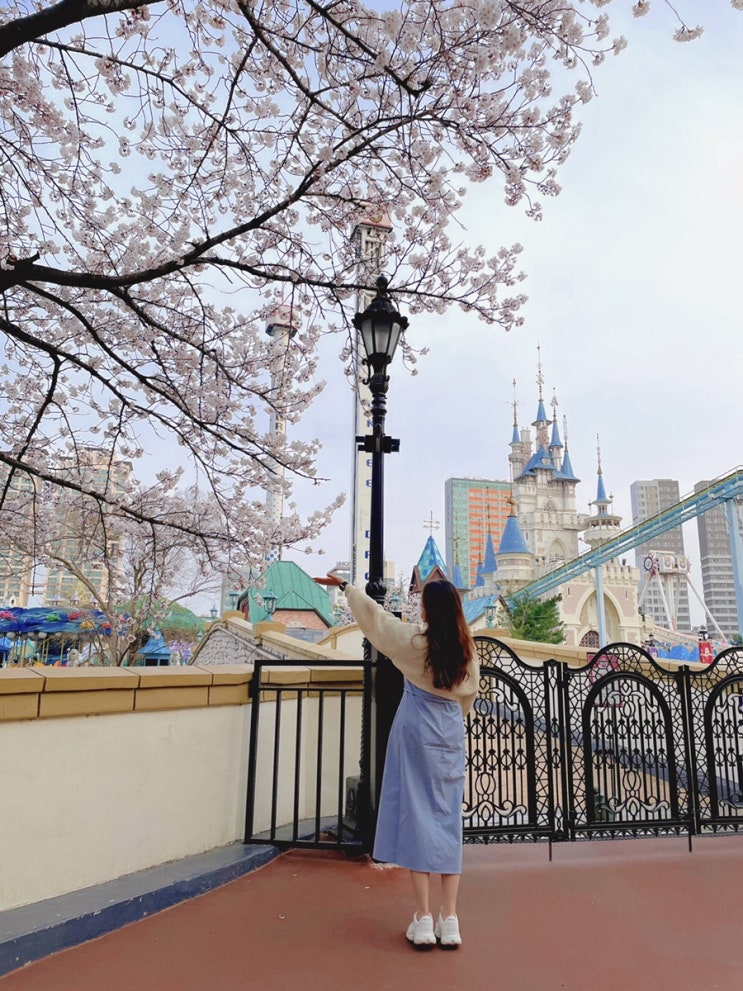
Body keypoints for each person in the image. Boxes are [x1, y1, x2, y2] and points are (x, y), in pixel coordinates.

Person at [326, 575, 479, 950]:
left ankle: (424, 918)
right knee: (447, 820)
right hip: (448, 733)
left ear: (426, 608)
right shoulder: (466, 650)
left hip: (414, 733)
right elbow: (470, 693)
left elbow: (376, 620)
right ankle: (452, 918)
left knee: (417, 817)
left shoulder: (414, 643)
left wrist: (347, 587)